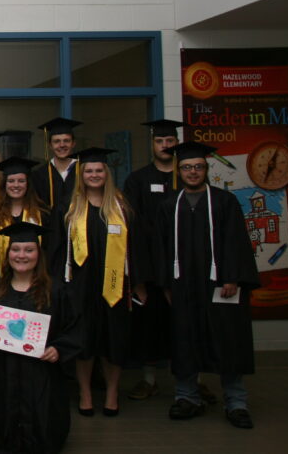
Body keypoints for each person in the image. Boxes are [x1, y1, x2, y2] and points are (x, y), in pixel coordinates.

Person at [158, 141, 259, 429]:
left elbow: (236, 241)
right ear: (179, 171)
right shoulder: (169, 205)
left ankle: (236, 402)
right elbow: (161, 247)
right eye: (187, 167)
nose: (193, 172)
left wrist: (232, 277)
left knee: (228, 339)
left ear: (206, 169)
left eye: (198, 167)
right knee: (185, 339)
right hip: (183, 286)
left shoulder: (225, 201)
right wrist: (166, 285)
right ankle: (187, 397)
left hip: (220, 285)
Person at [63, 146, 149, 417]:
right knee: (85, 342)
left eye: (99, 170)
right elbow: (58, 250)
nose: (94, 174)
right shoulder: (70, 208)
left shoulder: (122, 207)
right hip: (81, 287)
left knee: (114, 341)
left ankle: (112, 393)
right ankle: (85, 393)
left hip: (115, 285)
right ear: (81, 175)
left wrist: (138, 284)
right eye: (88, 170)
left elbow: (136, 247)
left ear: (107, 173)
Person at [0, 222, 81, 454]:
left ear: (39, 254)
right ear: (8, 254)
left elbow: (74, 327)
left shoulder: (56, 291)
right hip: (6, 370)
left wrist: (58, 349)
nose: (21, 255)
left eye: (29, 250)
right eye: (16, 249)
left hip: (42, 371)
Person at [121, 119, 183, 400]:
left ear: (176, 143)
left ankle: (191, 380)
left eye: (169, 141)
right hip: (148, 267)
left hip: (182, 266)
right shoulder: (137, 180)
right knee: (149, 326)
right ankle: (148, 380)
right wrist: (138, 278)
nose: (165, 146)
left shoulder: (187, 176)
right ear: (152, 144)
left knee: (186, 325)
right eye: (160, 141)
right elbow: (131, 229)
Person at [0, 156, 56, 284]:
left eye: (21, 181)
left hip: (37, 285)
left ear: (28, 184)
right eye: (11, 181)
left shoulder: (43, 216)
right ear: (4, 185)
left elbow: (50, 252)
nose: (16, 185)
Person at [31, 117, 81, 218]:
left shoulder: (84, 171)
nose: (62, 145)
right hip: (49, 225)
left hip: (80, 224)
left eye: (66, 141)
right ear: (50, 145)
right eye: (57, 141)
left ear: (73, 143)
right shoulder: (39, 174)